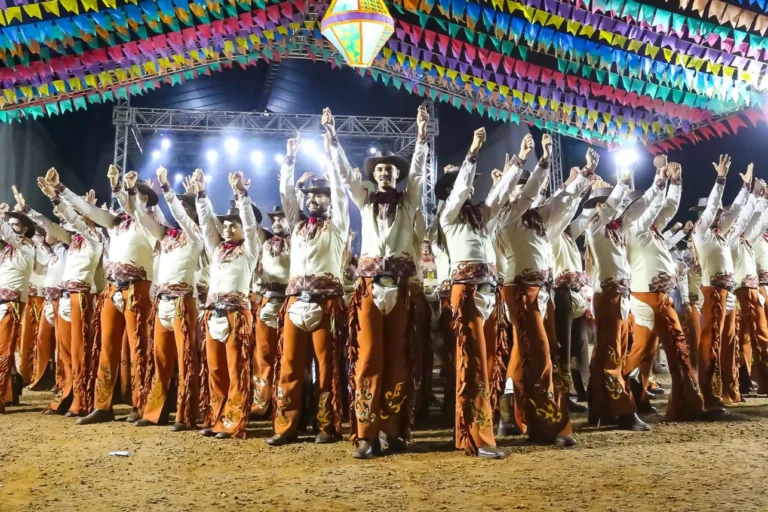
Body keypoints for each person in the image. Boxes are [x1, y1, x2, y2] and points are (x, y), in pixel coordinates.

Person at [331, 105, 429, 457]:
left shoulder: (408, 202)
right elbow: (346, 177)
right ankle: (367, 434)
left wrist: (421, 137)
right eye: (380, 170)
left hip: (399, 287)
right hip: (369, 287)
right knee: (369, 356)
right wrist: (333, 140)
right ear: (373, 176)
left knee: (399, 357)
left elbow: (418, 173)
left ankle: (394, 431)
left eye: (390, 170)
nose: (385, 173)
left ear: (397, 176)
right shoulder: (365, 201)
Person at [497, 141, 593, 447]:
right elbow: (529, 194)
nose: (531, 193)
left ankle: (509, 410)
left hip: (542, 293)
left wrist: (585, 175)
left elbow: (564, 202)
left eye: (534, 190)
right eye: (521, 188)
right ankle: (550, 424)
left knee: (530, 350)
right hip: (520, 292)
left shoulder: (540, 221)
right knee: (539, 352)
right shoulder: (506, 216)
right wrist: (542, 163)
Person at [435, 127, 523, 459]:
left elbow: (499, 197)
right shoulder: (448, 216)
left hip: (488, 292)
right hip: (468, 293)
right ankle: (478, 436)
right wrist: (472, 153)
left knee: (486, 361)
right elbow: (460, 191)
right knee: (473, 364)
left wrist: (520, 162)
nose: (470, 189)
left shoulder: (480, 216)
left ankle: (470, 432)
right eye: (463, 185)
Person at [46, 166, 158, 425]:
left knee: (138, 348)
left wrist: (120, 188)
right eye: (132, 192)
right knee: (105, 347)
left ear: (145, 198)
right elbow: (87, 211)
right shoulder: (116, 222)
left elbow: (134, 209)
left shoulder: (151, 220)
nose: (132, 197)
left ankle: (140, 404)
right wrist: (61, 190)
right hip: (113, 287)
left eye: (137, 193)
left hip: (137, 287)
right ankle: (102, 405)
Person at [267, 127, 349, 447]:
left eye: (320, 195)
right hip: (294, 304)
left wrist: (331, 151)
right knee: (289, 365)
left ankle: (327, 426)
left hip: (326, 304)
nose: (313, 199)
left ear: (330, 200)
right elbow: (287, 195)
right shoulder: (297, 225)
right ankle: (286, 426)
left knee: (327, 368)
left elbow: (341, 191)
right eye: (310, 195)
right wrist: (290, 158)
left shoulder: (338, 225)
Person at [586, 163, 666, 431]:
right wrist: (621, 183)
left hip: (619, 296)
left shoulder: (617, 229)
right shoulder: (595, 227)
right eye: (610, 204)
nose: (618, 209)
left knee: (611, 353)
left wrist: (659, 183)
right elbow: (614, 207)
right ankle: (622, 411)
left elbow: (640, 208)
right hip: (609, 296)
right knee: (611, 354)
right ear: (599, 207)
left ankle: (599, 409)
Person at [623, 161, 705, 420]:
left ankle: (628, 400)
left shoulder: (650, 230)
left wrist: (675, 182)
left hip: (649, 296)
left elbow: (667, 208)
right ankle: (687, 404)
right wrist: (660, 180)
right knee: (677, 346)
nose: (651, 210)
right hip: (651, 297)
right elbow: (654, 209)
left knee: (644, 351)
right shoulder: (635, 228)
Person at [129, 167, 204, 431]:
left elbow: (181, 216)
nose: (182, 211)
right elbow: (141, 218)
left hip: (183, 302)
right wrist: (132, 194)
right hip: (163, 302)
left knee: (186, 359)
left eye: (187, 208)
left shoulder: (196, 235)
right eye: (180, 207)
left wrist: (167, 189)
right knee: (160, 358)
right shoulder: (166, 235)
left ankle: (186, 415)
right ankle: (155, 413)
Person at [194, 170, 260, 439]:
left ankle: (232, 421)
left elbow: (251, 226)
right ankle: (216, 418)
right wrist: (201, 195)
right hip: (213, 315)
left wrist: (241, 195)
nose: (227, 229)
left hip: (236, 316)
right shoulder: (217, 250)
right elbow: (206, 225)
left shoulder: (250, 250)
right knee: (215, 369)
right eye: (226, 225)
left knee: (236, 369)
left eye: (234, 225)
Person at [35, 178, 104, 417]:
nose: (73, 219)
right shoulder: (73, 240)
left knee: (79, 350)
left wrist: (57, 198)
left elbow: (76, 221)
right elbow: (51, 228)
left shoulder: (94, 238)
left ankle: (82, 400)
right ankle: (65, 396)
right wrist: (30, 210)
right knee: (64, 352)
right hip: (65, 296)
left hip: (81, 296)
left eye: (79, 215)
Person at [692, 155, 753, 415]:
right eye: (716, 213)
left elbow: (738, 213)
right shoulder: (701, 233)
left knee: (728, 342)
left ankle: (729, 390)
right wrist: (721, 179)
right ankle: (710, 395)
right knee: (712, 343)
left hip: (727, 294)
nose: (719, 215)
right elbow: (712, 208)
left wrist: (746, 188)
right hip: (714, 293)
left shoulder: (721, 235)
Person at [12, 187, 69, 394]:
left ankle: (63, 380)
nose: (49, 235)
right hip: (48, 299)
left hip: (61, 299)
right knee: (42, 339)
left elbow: (44, 230)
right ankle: (42, 376)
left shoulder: (67, 251)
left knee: (62, 343)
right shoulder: (51, 252)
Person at [251, 205, 291, 417]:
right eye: (273, 219)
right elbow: (249, 223)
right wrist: (242, 199)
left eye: (281, 219)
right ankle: (262, 404)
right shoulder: (265, 242)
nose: (276, 223)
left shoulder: (299, 240)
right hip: (267, 300)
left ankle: (285, 405)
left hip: (288, 301)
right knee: (263, 354)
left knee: (288, 355)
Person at [0, 202, 37, 412]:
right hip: (3, 300)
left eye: (14, 224)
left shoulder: (27, 246)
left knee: (3, 349)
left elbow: (8, 236)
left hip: (11, 303)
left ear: (24, 229)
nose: (10, 227)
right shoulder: (7, 250)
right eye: (9, 223)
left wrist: (0, 217)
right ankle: (10, 392)